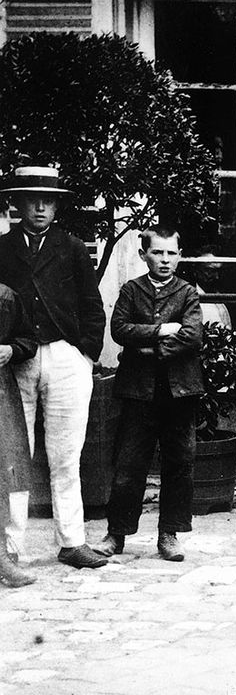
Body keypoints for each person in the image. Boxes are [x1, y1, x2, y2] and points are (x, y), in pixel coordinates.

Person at [0, 166, 107, 569]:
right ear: (18, 204)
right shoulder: (3, 249)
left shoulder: (73, 248)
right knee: (13, 456)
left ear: (57, 205)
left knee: (66, 456)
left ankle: (72, 542)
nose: (40, 207)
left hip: (66, 357)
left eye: (47, 200)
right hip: (15, 360)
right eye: (31, 199)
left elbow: (91, 306)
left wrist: (86, 353)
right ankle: (11, 546)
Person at [94, 227, 203, 562]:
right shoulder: (131, 290)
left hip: (179, 391)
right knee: (128, 463)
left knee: (179, 463)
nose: (165, 260)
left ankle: (169, 534)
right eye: (157, 253)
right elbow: (120, 330)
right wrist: (160, 331)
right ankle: (116, 534)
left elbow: (193, 336)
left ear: (180, 255)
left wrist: (150, 349)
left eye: (171, 253)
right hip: (137, 391)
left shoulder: (187, 293)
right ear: (144, 255)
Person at [0, 281, 37, 587]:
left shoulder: (5, 297)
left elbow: (28, 340)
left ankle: (1, 558)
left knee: (1, 473)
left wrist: (11, 349)